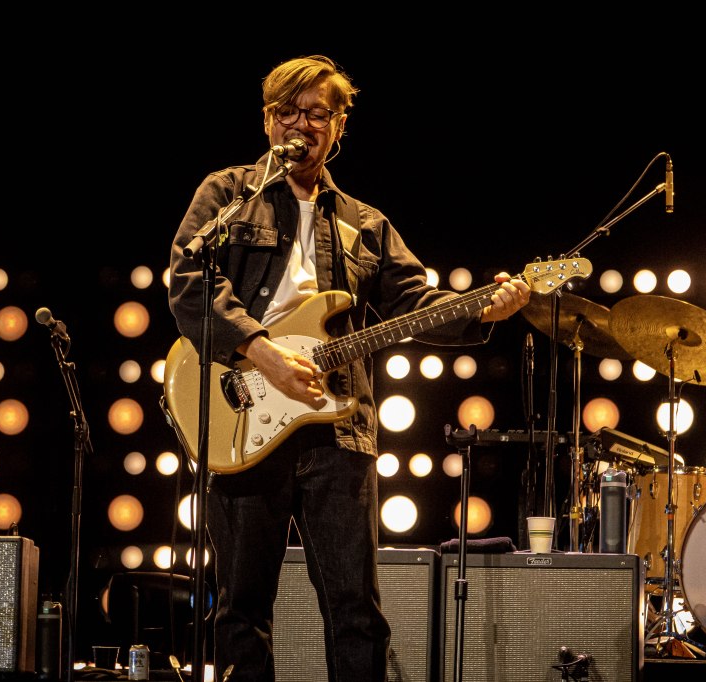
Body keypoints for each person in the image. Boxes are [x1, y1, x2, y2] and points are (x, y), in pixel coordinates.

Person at [167, 55, 531, 682]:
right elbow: (188, 279)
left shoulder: (364, 223)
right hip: (243, 412)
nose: (300, 125)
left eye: (317, 113)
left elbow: (414, 304)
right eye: (288, 111)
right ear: (267, 120)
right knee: (241, 609)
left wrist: (483, 309)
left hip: (340, 428)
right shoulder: (226, 194)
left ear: (338, 127)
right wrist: (263, 355)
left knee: (356, 610)